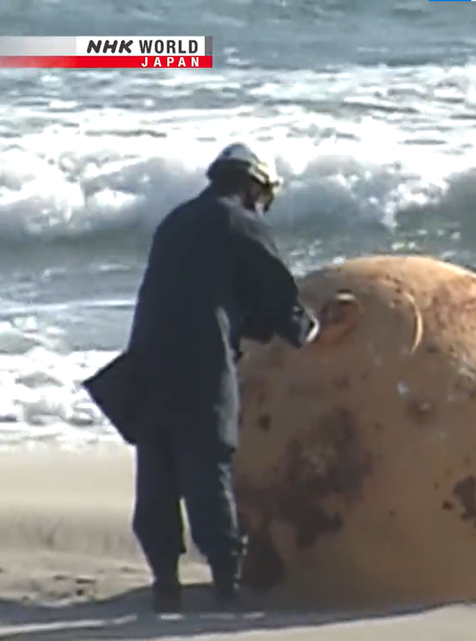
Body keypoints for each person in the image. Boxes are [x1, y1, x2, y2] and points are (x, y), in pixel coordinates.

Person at [82, 142, 321, 612]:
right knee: (208, 467)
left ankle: (165, 586)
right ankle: (227, 585)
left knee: (158, 472)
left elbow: (210, 294)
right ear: (252, 185)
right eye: (265, 195)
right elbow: (275, 294)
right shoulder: (240, 223)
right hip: (201, 364)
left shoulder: (175, 221)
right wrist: (306, 329)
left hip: (148, 362)